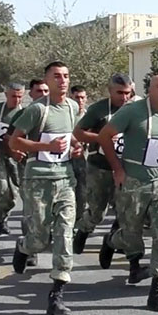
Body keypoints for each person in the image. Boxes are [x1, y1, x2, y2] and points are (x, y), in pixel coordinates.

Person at [96, 74, 158, 312]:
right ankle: (112, 240)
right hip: (134, 182)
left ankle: (157, 289)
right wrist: (117, 168)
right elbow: (104, 136)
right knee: (131, 232)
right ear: (150, 89)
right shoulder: (132, 111)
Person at [9, 61, 84, 315]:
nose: (62, 80)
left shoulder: (73, 107)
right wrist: (45, 148)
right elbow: (15, 140)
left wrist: (76, 147)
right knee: (40, 238)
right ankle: (24, 246)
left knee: (64, 234)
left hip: (65, 179)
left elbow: (72, 136)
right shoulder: (37, 110)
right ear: (47, 81)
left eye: (65, 76)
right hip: (38, 180)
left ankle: (57, 292)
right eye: (56, 76)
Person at [71, 73, 134, 253]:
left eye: (127, 93)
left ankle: (116, 239)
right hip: (100, 167)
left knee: (124, 208)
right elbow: (78, 133)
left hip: (124, 167)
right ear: (110, 91)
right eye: (119, 93)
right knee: (98, 212)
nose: (124, 97)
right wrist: (102, 138)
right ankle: (83, 230)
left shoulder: (133, 109)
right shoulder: (98, 110)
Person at [9, 78, 48, 267]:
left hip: (52, 169)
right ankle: (30, 247)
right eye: (39, 91)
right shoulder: (26, 113)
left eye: (46, 91)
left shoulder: (56, 111)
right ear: (31, 94)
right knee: (30, 209)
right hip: (29, 167)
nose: (43, 95)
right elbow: (11, 137)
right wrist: (16, 151)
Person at [0, 83, 25, 236]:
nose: (16, 100)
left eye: (20, 96)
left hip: (17, 155)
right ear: (6, 95)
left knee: (13, 194)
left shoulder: (26, 112)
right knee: (2, 187)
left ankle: (4, 215)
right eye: (13, 96)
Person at [71, 85, 90, 227]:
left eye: (83, 97)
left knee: (82, 192)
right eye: (77, 97)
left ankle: (78, 222)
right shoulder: (67, 114)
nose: (80, 100)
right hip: (66, 158)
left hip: (85, 159)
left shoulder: (90, 115)